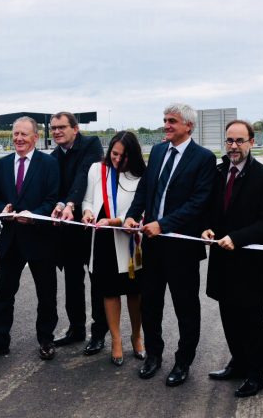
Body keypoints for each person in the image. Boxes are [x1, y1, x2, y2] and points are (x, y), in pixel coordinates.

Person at [124, 103, 216, 387]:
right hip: (152, 245)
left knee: (185, 308)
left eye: (172, 121)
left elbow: (198, 203)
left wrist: (164, 224)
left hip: (181, 249)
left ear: (188, 126)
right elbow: (146, 189)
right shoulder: (160, 151)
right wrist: (131, 215)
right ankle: (154, 355)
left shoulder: (203, 158)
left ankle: (183, 361)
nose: (166, 125)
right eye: (164, 120)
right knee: (150, 304)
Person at [0, 116, 60, 361]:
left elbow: (52, 199)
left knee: (46, 293)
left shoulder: (48, 163)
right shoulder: (1, 165)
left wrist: (34, 215)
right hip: (11, 238)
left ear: (35, 137)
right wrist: (5, 208)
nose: (18, 139)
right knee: (3, 295)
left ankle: (46, 340)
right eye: (15, 134)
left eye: (24, 134)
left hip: (40, 237)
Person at [202, 120, 263, 398]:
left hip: (250, 265)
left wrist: (238, 237)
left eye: (239, 141)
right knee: (229, 318)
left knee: (252, 323)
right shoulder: (218, 172)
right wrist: (207, 226)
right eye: (229, 141)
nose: (233, 147)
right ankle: (238, 363)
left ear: (251, 142)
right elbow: (211, 209)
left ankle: (256, 375)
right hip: (222, 261)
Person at [81, 131, 147, 366]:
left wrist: (118, 221)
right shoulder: (97, 170)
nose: (117, 160)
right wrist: (87, 212)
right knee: (109, 291)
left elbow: (143, 209)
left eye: (123, 156)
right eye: (114, 154)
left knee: (134, 292)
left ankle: (137, 336)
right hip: (102, 240)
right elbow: (87, 200)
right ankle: (116, 340)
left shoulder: (142, 176)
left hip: (128, 241)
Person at [48, 112, 108, 355]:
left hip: (90, 222)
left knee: (98, 282)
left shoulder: (91, 145)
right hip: (68, 228)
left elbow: (84, 175)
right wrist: (59, 205)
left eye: (62, 127)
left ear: (76, 128)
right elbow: (56, 187)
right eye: (53, 128)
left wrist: (71, 203)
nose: (56, 132)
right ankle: (76, 328)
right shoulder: (53, 157)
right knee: (72, 281)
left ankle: (100, 332)